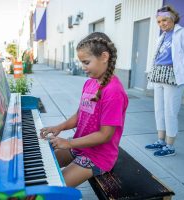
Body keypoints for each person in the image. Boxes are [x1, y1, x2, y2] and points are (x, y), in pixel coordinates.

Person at [40, 32, 128, 187]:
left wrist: (69, 143)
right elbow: (80, 115)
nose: (83, 68)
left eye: (86, 62)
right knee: (41, 163)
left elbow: (105, 135)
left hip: (98, 156)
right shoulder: (90, 83)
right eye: (82, 63)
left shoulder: (113, 91)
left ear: (104, 57)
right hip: (81, 147)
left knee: (54, 189)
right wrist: (59, 127)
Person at [146, 5, 184, 157]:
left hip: (174, 77)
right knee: (159, 110)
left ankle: (170, 146)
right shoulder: (161, 37)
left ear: (173, 19)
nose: (162, 24)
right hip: (159, 76)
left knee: (170, 112)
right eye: (159, 21)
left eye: (165, 20)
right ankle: (161, 140)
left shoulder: (183, 33)